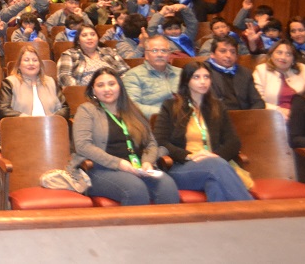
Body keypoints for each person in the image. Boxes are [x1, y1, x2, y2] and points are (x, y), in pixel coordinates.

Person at [71, 69, 179, 206]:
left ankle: (164, 228)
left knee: (167, 186)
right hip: (101, 170)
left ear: (120, 87)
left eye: (111, 84)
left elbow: (151, 143)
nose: (107, 89)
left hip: (138, 168)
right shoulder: (87, 110)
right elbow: (83, 146)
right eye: (100, 85)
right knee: (135, 188)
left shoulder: (132, 110)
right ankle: (137, 228)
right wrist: (118, 163)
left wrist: (147, 162)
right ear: (93, 91)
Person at [154, 61, 253, 201]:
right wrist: (189, 156)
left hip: (214, 165)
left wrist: (214, 155)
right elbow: (160, 141)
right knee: (216, 168)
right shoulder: (170, 107)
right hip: (181, 167)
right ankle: (250, 211)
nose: (203, 82)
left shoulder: (217, 107)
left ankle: (220, 222)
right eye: (196, 77)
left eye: (206, 77)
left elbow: (234, 142)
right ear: (186, 80)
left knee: (215, 184)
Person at [0, 45, 68, 118]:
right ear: (19, 65)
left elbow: (65, 108)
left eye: (35, 60)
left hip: (50, 127)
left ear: (40, 64)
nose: (31, 63)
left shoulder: (51, 82)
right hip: (20, 127)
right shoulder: (9, 83)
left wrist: (50, 120)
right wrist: (28, 120)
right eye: (26, 60)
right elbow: (3, 110)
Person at [123, 36, 181, 118]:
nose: (160, 54)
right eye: (154, 50)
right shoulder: (133, 75)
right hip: (151, 123)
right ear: (146, 55)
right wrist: (166, 113)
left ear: (169, 55)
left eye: (164, 51)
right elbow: (132, 105)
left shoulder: (181, 73)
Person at [57, 26, 129, 87]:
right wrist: (85, 91)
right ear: (78, 40)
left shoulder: (109, 52)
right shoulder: (69, 54)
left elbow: (125, 72)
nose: (89, 38)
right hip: (84, 95)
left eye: (93, 34)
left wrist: (118, 86)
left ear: (98, 38)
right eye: (84, 35)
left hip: (113, 92)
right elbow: (63, 76)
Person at [253, 40, 305, 120]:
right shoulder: (261, 70)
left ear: (293, 59)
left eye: (288, 54)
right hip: (271, 117)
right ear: (271, 55)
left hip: (299, 117)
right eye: (279, 52)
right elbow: (258, 101)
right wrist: (278, 111)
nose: (283, 57)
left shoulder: (302, 69)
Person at [206, 37, 264, 110]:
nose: (228, 55)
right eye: (223, 51)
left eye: (233, 52)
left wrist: (249, 118)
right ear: (212, 54)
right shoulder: (204, 72)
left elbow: (258, 102)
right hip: (216, 117)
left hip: (244, 117)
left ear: (237, 56)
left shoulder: (245, 73)